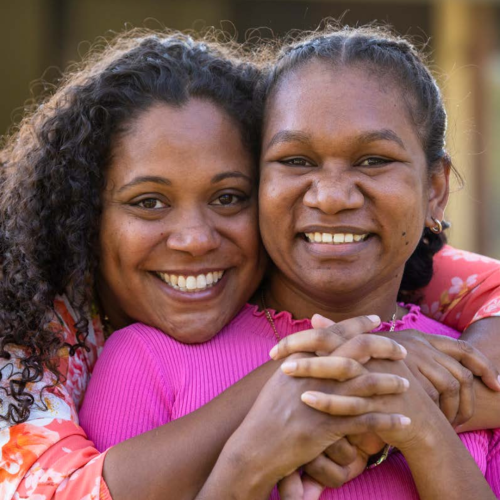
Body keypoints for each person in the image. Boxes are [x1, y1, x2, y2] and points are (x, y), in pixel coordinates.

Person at [1, 26, 500, 500]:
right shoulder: (89, 354)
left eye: (227, 196)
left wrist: (415, 413)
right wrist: (281, 419)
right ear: (83, 216)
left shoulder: (448, 346)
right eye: (297, 161)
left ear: (435, 188)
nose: (329, 197)